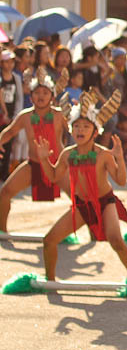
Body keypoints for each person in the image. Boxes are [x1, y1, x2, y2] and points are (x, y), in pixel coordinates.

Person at [34, 91, 127, 281]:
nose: (80, 130)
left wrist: (120, 158)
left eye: (86, 126)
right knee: (49, 241)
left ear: (95, 131)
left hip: (105, 203)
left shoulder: (103, 154)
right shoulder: (67, 154)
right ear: (71, 130)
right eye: (76, 126)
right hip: (81, 205)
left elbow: (121, 181)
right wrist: (43, 160)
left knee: (116, 240)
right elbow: (55, 176)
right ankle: (50, 281)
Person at [0, 68, 68, 233]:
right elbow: (9, 132)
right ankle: (1, 231)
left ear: (52, 97)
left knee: (81, 197)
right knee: (5, 193)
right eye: (37, 92)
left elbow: (80, 131)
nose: (41, 96)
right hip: (34, 164)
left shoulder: (60, 115)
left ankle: (94, 232)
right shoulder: (26, 116)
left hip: (58, 166)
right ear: (31, 97)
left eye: (45, 92)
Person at [0, 50, 24, 180]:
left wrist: (15, 116)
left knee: (9, 145)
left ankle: (4, 173)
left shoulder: (16, 78)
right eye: (6, 62)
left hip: (11, 116)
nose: (9, 65)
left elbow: (19, 98)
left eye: (11, 62)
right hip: (1, 116)